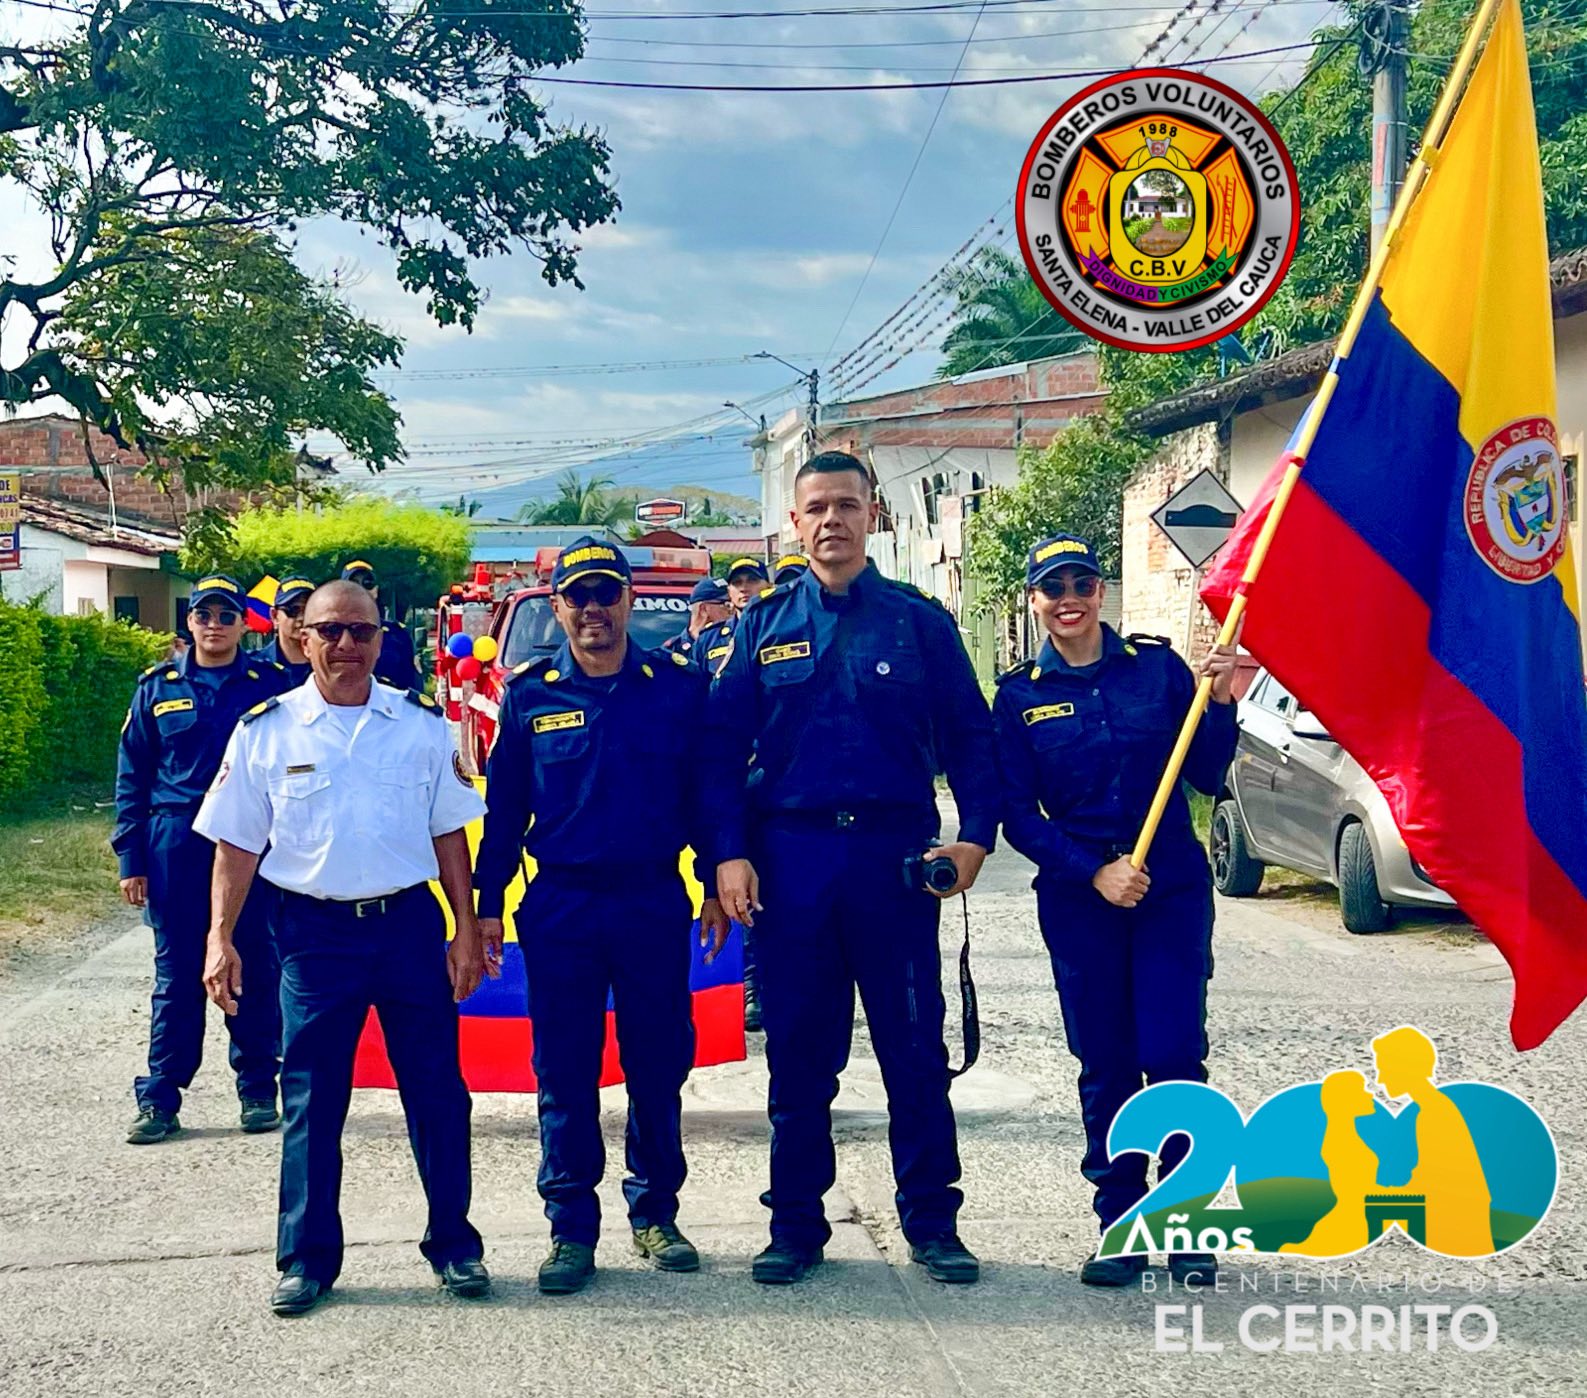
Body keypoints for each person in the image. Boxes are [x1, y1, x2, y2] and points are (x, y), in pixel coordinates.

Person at [705, 450, 998, 1287]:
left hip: (890, 862)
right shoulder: (761, 626)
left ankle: (932, 1223)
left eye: (845, 505)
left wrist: (975, 837)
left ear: (872, 515)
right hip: (791, 864)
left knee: (913, 1050)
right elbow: (719, 749)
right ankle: (795, 1225)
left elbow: (971, 737)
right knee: (800, 1055)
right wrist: (727, 853)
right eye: (816, 508)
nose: (831, 520)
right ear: (794, 524)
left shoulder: (917, 622)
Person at [194, 580, 492, 1317]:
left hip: (407, 929)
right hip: (313, 935)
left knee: (437, 1091)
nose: (346, 645)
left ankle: (455, 1245)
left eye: (361, 631)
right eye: (330, 631)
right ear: (303, 638)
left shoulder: (420, 726)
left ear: (381, 639)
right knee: (311, 1097)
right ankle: (306, 1259)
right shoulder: (266, 731)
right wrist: (220, 937)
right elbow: (237, 844)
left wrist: (464, 927)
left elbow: (449, 834)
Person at [475, 537, 730, 1296]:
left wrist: (714, 884)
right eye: (578, 596)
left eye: (605, 593)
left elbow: (707, 797)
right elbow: (504, 813)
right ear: (559, 607)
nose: (593, 609)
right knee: (564, 1070)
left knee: (658, 1064)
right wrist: (486, 908)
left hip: (651, 901)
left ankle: (655, 1214)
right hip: (562, 906)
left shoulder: (676, 688)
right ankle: (570, 1230)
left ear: (628, 600)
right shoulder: (530, 694)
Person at [990, 533, 1239, 1289]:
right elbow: (1015, 814)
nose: (1069, 600)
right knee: (1105, 1063)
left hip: (1169, 891)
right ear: (1034, 601)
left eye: (1082, 584)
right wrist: (1092, 872)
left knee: (1172, 1053)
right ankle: (1121, 1225)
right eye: (1053, 588)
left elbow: (1206, 774)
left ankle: (1185, 1220)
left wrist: (1221, 702)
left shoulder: (1157, 670)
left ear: (1100, 591)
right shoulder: (1018, 695)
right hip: (1081, 901)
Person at [113, 574, 291, 1145]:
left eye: (225, 615)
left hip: (252, 842)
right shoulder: (157, 687)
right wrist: (131, 858)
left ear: (243, 624)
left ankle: (258, 1088)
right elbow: (132, 775)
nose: (214, 625)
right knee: (177, 975)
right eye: (204, 615)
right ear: (188, 623)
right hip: (177, 842)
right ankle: (161, 1097)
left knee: (256, 963)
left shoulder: (271, 685)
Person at [340, 559, 418, 689]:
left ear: (376, 591)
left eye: (368, 584)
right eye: (353, 585)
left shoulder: (398, 635)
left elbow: (412, 685)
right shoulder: (332, 633)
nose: (362, 589)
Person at [259, 575, 315, 686]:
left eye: (308, 610)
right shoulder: (254, 665)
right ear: (275, 616)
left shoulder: (331, 665)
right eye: (293, 610)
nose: (301, 617)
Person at [664, 575, 731, 659]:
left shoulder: (733, 643)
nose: (733, 610)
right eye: (727, 604)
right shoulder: (671, 650)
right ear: (703, 609)